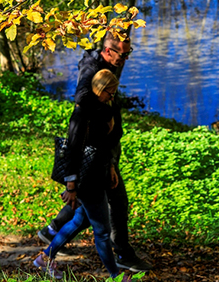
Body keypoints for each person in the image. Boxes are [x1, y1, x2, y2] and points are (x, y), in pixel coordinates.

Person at [37, 30, 152, 272]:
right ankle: (119, 262)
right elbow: (80, 107)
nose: (126, 58)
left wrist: (109, 158)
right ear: (109, 51)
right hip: (93, 161)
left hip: (102, 158)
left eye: (129, 52)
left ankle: (51, 239)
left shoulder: (107, 72)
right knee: (109, 216)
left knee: (83, 216)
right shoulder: (91, 73)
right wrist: (71, 183)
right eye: (124, 53)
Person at [33, 69, 128, 280]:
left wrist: (111, 166)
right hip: (87, 180)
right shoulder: (82, 113)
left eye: (114, 93)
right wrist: (71, 186)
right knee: (103, 232)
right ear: (100, 89)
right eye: (109, 93)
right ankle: (116, 276)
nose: (111, 97)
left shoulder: (104, 109)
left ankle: (45, 258)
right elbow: (73, 150)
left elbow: (105, 145)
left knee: (79, 221)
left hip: (98, 174)